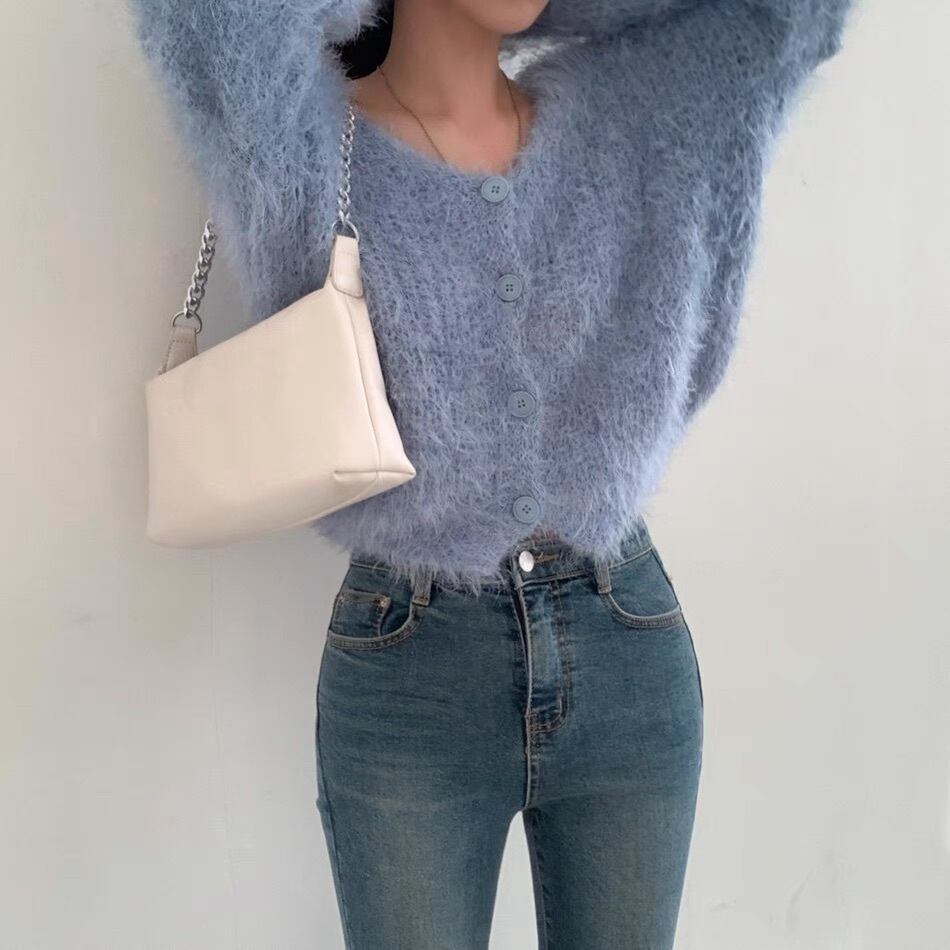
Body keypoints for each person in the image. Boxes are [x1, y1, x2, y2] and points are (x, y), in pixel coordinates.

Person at [127, 0, 854, 946]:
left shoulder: (640, 118)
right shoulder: (296, 144)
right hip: (409, 671)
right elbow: (200, 18)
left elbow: (787, 16)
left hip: (626, 648)